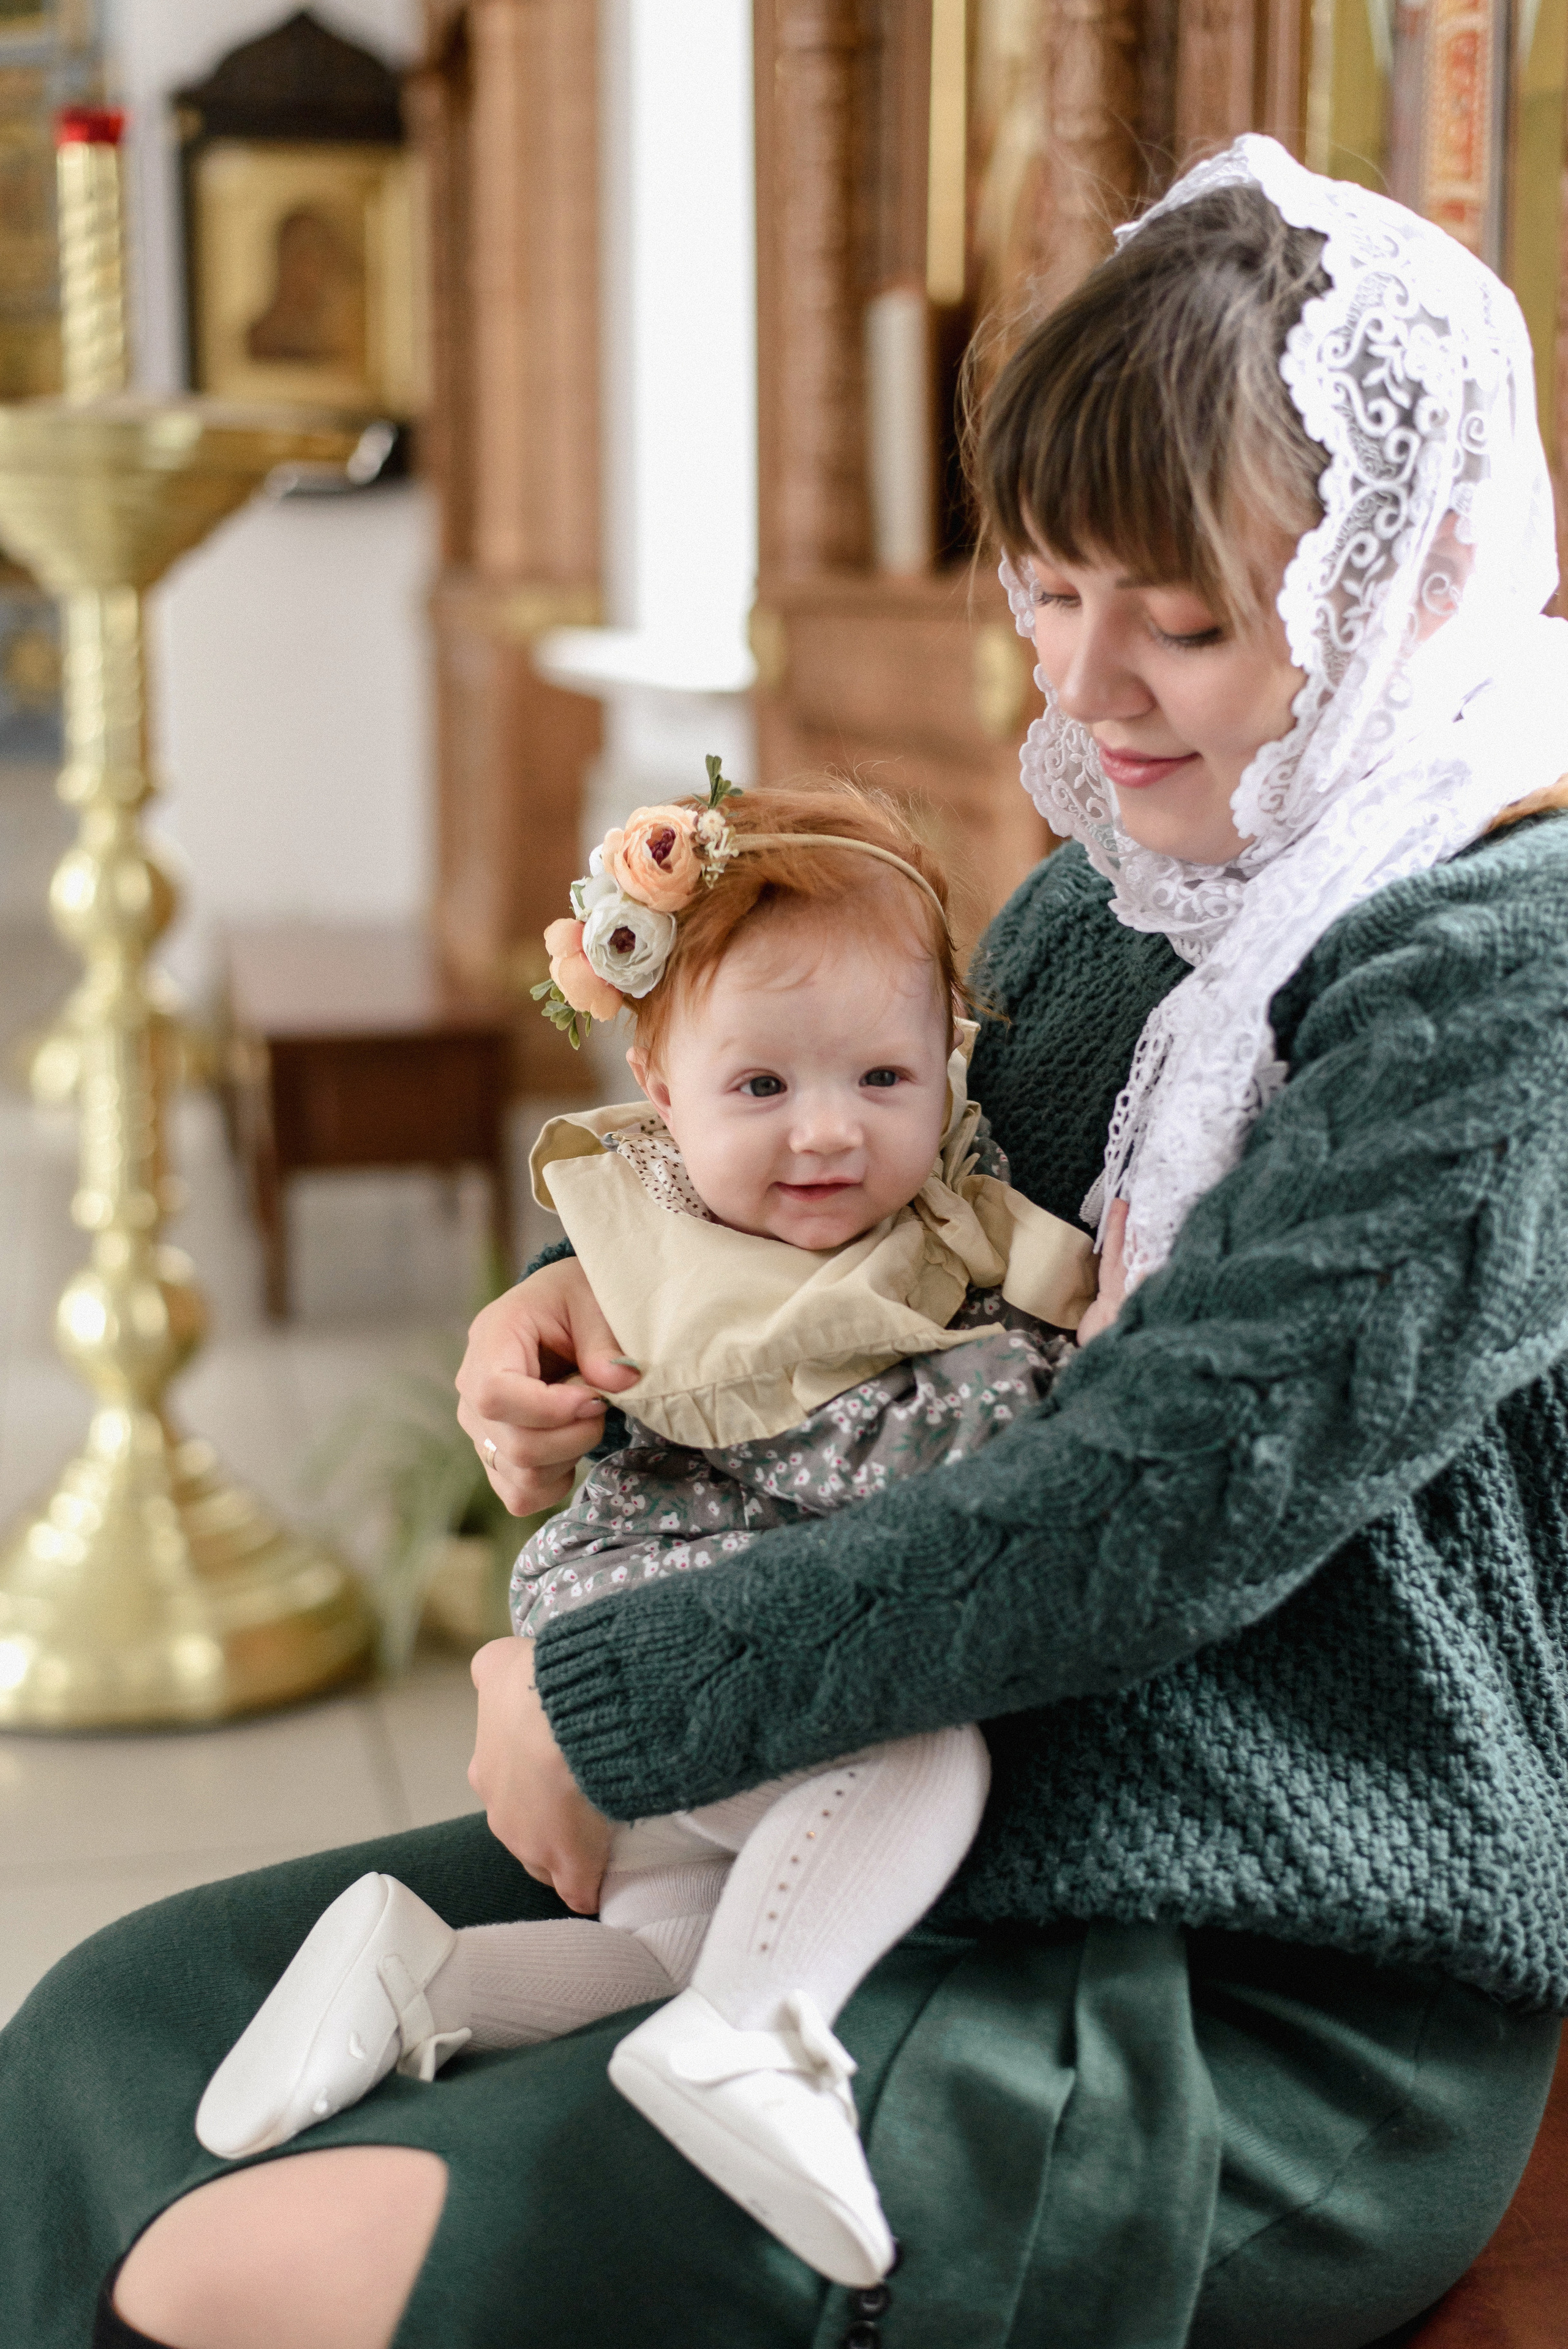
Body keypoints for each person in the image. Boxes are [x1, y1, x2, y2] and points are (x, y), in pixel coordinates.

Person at [9, 132, 1568, 2349]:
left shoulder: (1505, 969)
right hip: (876, 1821)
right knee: (106, 2043)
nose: (1095, 690)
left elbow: (1158, 1508)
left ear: (1404, 580)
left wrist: (608, 1695)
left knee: (277, 2264)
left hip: (1256, 1964)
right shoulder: (1121, 897)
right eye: (1046, 588)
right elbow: (882, 1264)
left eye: (1186, 618)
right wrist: (591, 1305)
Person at [189, 779, 1099, 2290]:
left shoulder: (851, 1203)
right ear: (657, 1089)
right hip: (683, 1640)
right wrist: (1085, 1366)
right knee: (921, 1758)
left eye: (882, 1076)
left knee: (674, 1945)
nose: (826, 1134)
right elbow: (874, 1453)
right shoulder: (722, 1300)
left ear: (946, 1061)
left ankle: (418, 1978)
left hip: (664, 1658)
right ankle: (763, 2044)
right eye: (762, 1090)